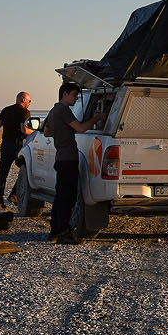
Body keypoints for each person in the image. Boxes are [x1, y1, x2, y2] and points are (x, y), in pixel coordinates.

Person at [44, 81, 99, 244]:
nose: (76, 99)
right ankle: (64, 232)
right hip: (68, 157)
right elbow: (81, 129)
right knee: (68, 197)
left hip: (61, 157)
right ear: (65, 94)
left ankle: (55, 230)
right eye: (74, 95)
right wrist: (96, 118)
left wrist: (60, 133)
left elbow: (47, 132)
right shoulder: (63, 110)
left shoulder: (54, 110)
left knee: (60, 196)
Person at [0, 91, 33, 210]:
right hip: (18, 145)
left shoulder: (6, 110)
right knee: (25, 169)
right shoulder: (24, 112)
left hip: (5, 145)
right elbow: (24, 130)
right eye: (29, 101)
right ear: (23, 100)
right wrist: (34, 131)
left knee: (3, 173)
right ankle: (14, 194)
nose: (29, 104)